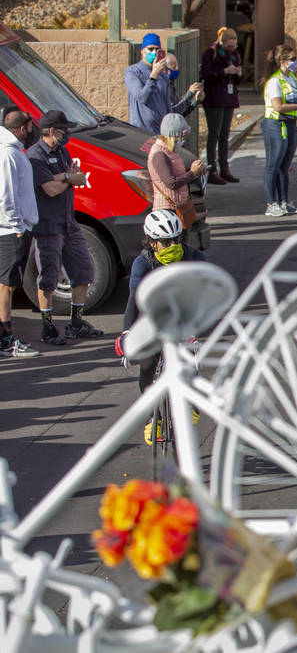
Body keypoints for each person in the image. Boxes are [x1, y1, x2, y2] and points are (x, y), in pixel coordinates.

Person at [114, 210, 206, 444]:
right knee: (147, 366)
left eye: (177, 239)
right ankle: (150, 417)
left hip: (183, 316)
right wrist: (126, 334)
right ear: (152, 242)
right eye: (166, 242)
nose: (173, 245)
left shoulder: (194, 257)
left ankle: (191, 402)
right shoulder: (142, 263)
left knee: (190, 363)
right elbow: (133, 301)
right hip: (152, 318)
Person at [28, 110, 103, 345]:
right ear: (52, 131)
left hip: (69, 224)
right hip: (48, 228)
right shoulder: (35, 156)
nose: (67, 134)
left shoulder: (62, 151)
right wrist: (67, 178)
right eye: (64, 130)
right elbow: (49, 189)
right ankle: (48, 328)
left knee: (83, 272)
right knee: (48, 280)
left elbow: (79, 177)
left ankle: (76, 324)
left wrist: (63, 178)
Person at [0, 109, 40, 358]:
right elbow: (5, 196)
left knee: (6, 286)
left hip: (14, 229)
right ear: (22, 128)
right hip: (10, 232)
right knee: (7, 287)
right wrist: (16, 228)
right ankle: (6, 341)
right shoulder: (7, 153)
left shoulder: (12, 150)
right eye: (29, 126)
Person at [123, 33, 203, 134]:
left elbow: (169, 110)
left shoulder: (163, 76)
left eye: (157, 50)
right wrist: (153, 76)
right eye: (150, 49)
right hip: (141, 132)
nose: (154, 52)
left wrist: (194, 100)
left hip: (160, 132)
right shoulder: (133, 72)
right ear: (142, 51)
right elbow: (142, 98)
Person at [262, 42, 297, 217]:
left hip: (290, 123)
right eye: (292, 59)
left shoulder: (292, 79)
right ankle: (271, 203)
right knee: (273, 165)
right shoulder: (275, 81)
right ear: (282, 61)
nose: (296, 62)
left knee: (284, 166)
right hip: (276, 125)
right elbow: (278, 106)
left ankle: (284, 201)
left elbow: (295, 100)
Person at [199, 26, 243, 184]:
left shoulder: (235, 55)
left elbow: (238, 81)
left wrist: (238, 73)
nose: (232, 49)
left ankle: (225, 168)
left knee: (224, 135)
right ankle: (212, 170)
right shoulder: (211, 53)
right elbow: (206, 74)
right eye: (229, 46)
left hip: (229, 98)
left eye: (234, 46)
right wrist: (224, 71)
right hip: (214, 99)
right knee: (214, 134)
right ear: (222, 43)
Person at [148, 113, 205, 219]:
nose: (182, 140)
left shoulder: (171, 151)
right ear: (174, 136)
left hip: (177, 206)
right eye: (180, 137)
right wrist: (193, 173)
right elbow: (171, 183)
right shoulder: (159, 154)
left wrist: (197, 170)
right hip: (168, 211)